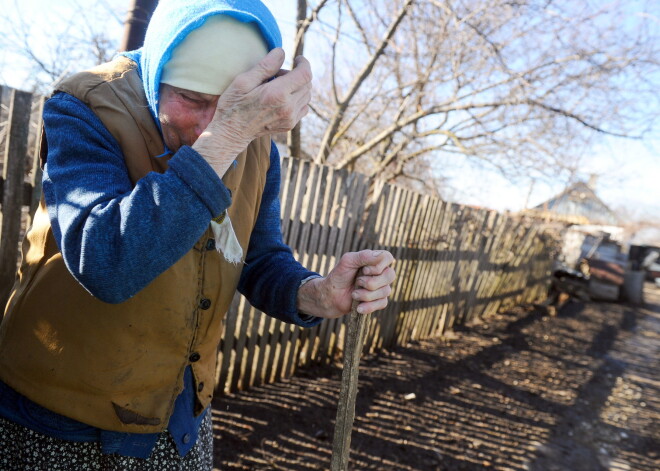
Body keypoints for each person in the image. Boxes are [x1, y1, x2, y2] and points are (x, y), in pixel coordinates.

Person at [0, 0, 395, 469]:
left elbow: (258, 256)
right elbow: (104, 262)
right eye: (192, 99)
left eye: (232, 107)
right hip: (60, 418)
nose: (210, 124)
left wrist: (316, 294)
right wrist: (227, 136)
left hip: (181, 415)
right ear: (160, 68)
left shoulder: (255, 138)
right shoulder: (87, 106)